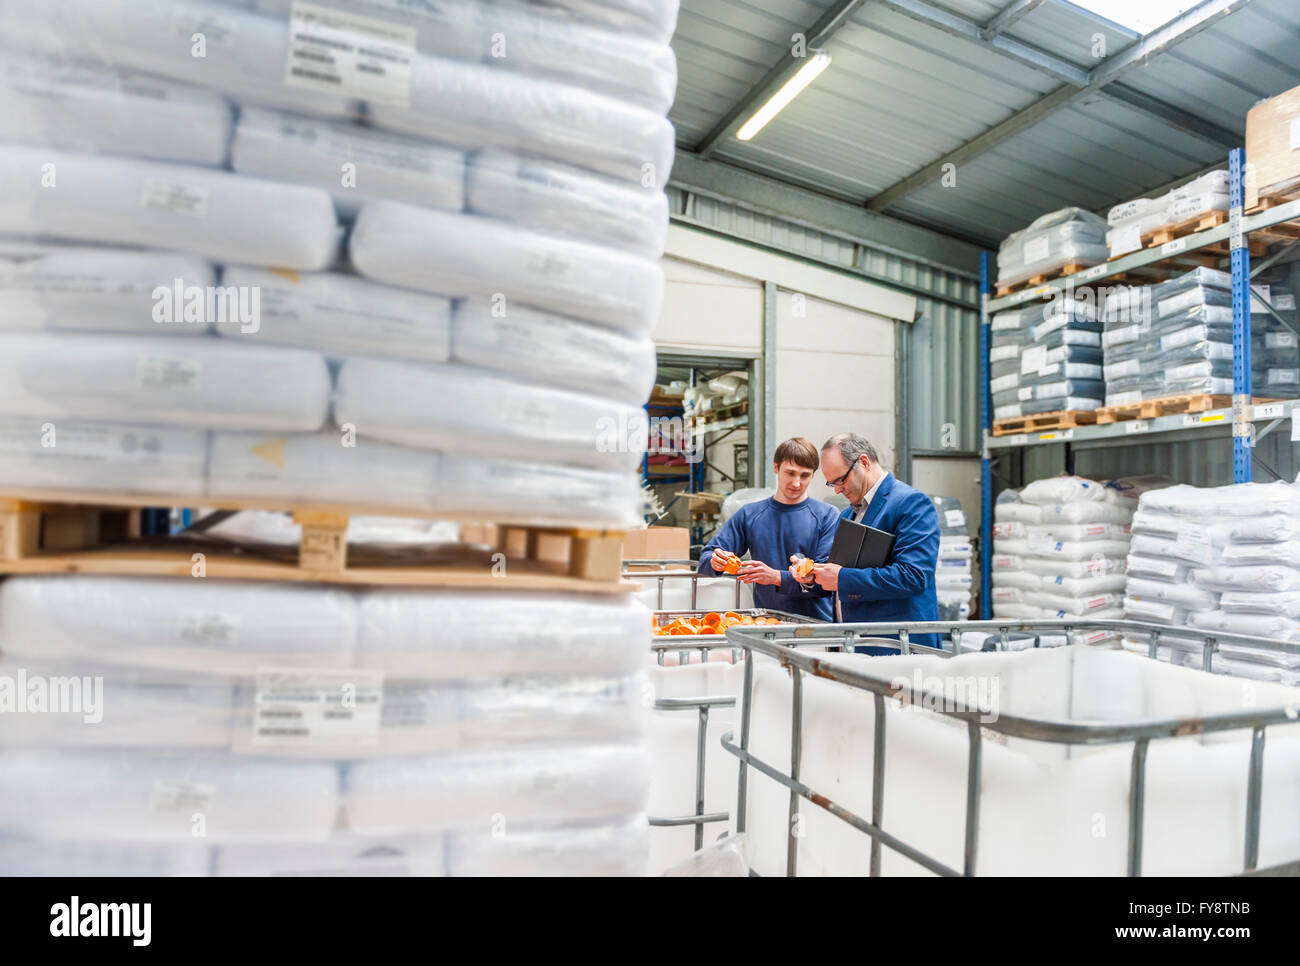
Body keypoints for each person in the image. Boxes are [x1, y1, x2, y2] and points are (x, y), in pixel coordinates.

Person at [796, 432, 939, 650]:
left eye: (841, 480)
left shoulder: (911, 504)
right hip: (854, 643)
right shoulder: (847, 515)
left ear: (863, 462)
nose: (837, 489)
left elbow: (914, 576)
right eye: (831, 483)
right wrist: (813, 577)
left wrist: (842, 578)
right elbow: (842, 575)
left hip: (898, 648)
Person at [698, 437, 841, 620]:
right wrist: (715, 561)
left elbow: (828, 583)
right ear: (776, 467)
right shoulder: (749, 515)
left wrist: (776, 577)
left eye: (805, 475)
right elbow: (705, 559)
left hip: (815, 630)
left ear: (813, 474)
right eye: (790, 473)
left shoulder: (828, 516)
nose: (797, 483)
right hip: (766, 627)